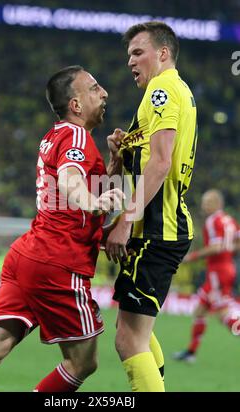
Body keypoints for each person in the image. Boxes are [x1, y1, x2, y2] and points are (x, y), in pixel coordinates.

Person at [0, 65, 124, 392]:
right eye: (94, 87)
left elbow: (76, 200)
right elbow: (71, 182)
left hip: (28, 257)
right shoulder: (76, 135)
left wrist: (114, 165)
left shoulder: (57, 135)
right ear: (76, 105)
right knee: (83, 362)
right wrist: (93, 202)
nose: (104, 92)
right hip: (57, 265)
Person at [105, 21, 198, 392]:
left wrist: (126, 221)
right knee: (133, 331)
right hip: (163, 227)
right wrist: (122, 150)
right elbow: (150, 157)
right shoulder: (176, 91)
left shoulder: (162, 89)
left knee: (129, 340)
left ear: (163, 53)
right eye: (129, 54)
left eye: (138, 52)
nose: (131, 61)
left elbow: (161, 163)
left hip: (157, 231)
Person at [173, 189, 240, 363]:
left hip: (218, 271)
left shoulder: (212, 221)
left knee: (223, 312)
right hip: (226, 268)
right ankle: (191, 353)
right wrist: (230, 251)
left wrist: (191, 257)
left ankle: (191, 353)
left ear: (216, 203)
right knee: (200, 310)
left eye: (206, 202)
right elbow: (237, 241)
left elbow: (217, 248)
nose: (203, 206)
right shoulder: (229, 220)